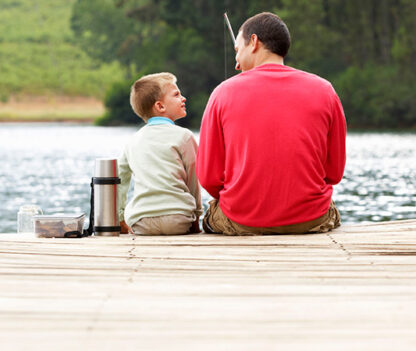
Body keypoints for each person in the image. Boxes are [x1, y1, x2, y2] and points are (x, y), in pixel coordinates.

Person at [197, 12, 346, 235]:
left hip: (242, 221)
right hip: (310, 219)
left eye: (238, 51)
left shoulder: (222, 93)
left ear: (254, 42)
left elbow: (209, 178)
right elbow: (334, 173)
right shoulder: (325, 90)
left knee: (209, 216)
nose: (236, 65)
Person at [117, 72, 202, 235]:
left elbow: (120, 179)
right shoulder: (184, 136)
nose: (183, 98)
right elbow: (194, 179)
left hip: (141, 221)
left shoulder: (133, 141)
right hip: (178, 219)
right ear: (160, 106)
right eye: (177, 94)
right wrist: (196, 217)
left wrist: (120, 218)